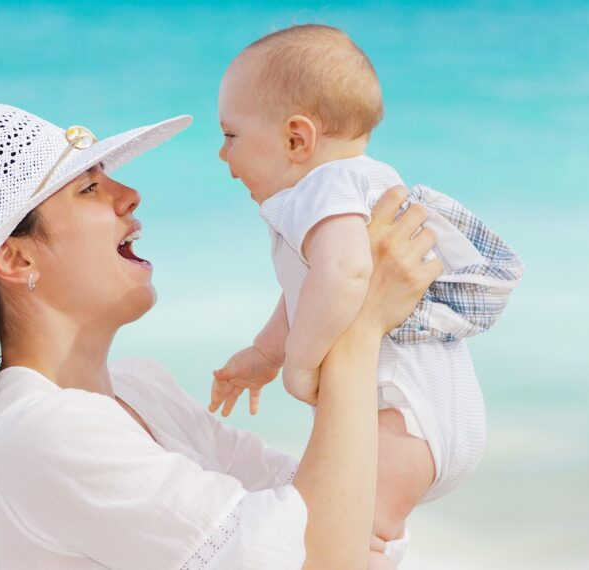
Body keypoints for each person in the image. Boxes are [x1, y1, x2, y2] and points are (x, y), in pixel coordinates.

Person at [0, 103, 441, 569]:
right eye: (89, 188)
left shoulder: (142, 388)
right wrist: (359, 321)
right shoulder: (37, 435)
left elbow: (345, 518)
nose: (129, 195)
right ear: (16, 256)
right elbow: (322, 555)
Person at [209, 24, 524, 567]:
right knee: (357, 535)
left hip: (402, 415)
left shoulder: (321, 187)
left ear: (296, 139)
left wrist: (300, 366)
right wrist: (266, 352)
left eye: (231, 135)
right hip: (431, 417)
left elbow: (346, 273)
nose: (221, 154)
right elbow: (309, 290)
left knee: (341, 542)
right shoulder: (366, 180)